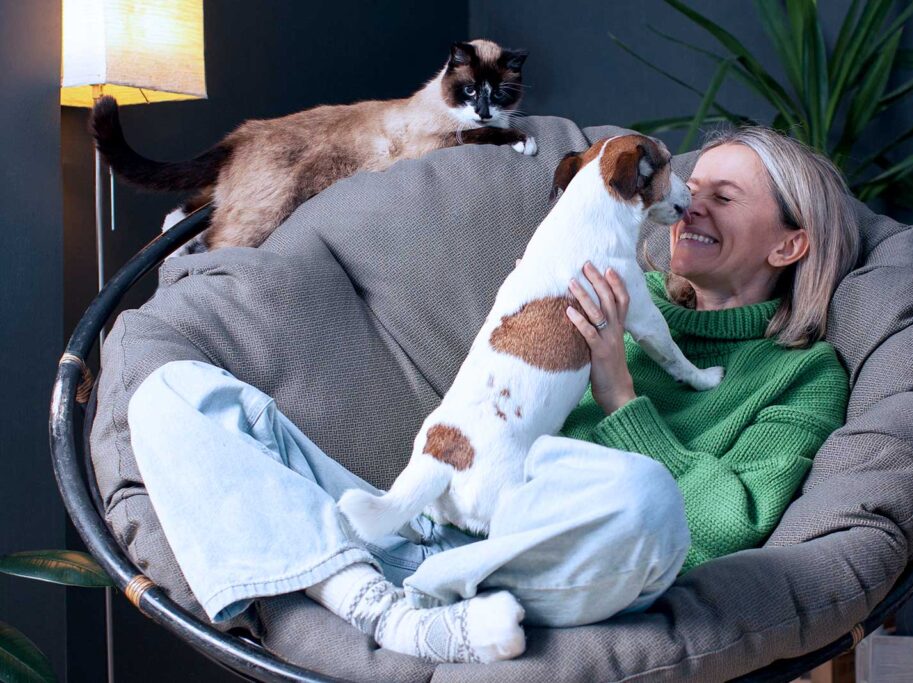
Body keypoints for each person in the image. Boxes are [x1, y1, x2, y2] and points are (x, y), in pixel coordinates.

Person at [126, 126, 860, 665]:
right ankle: (385, 606)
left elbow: (723, 527)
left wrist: (619, 389)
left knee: (645, 494)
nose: (685, 206)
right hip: (437, 525)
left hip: (570, 566)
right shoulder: (598, 285)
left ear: (789, 245)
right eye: (687, 189)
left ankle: (386, 579)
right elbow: (496, 411)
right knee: (171, 395)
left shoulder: (803, 374)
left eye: (720, 198)